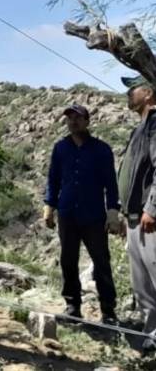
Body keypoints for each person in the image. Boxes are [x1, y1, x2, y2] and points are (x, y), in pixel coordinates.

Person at [43, 104, 119, 325]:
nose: (73, 122)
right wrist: (49, 206)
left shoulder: (101, 149)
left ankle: (109, 312)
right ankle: (72, 307)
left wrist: (112, 210)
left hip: (94, 215)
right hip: (67, 213)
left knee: (101, 262)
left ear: (87, 121)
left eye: (78, 118)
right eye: (69, 118)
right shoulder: (60, 148)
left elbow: (110, 184)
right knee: (68, 260)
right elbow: (53, 179)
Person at [118, 74, 156, 353]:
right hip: (133, 218)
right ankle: (152, 335)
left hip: (148, 220)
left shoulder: (155, 124)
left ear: (149, 92)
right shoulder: (140, 127)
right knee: (142, 285)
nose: (129, 93)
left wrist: (152, 208)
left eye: (134, 88)